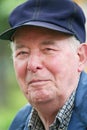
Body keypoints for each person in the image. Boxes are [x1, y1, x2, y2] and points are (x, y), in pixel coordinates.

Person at [0, 0, 87, 129]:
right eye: (23, 52)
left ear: (80, 57)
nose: (32, 65)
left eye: (48, 50)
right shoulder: (19, 123)